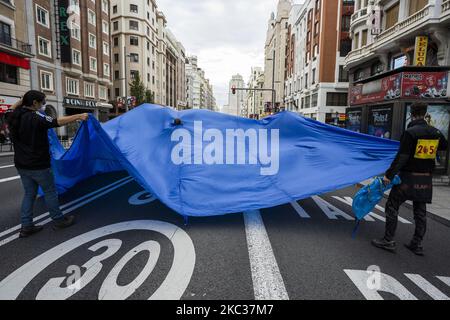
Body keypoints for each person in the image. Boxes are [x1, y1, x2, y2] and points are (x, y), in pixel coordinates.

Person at [5, 90, 89, 238]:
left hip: (21, 165)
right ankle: (59, 220)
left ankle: (26, 226)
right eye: (43, 102)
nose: (43, 105)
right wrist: (79, 116)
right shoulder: (36, 117)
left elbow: (11, 109)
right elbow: (56, 122)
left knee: (29, 194)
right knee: (50, 191)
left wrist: (22, 101)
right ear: (34, 103)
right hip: (39, 164)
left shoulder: (13, 116)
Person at [372, 102, 448, 256]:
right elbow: (444, 147)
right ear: (425, 113)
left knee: (392, 206)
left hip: (408, 178)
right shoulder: (436, 133)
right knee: (420, 212)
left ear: (411, 114)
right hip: (425, 180)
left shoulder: (410, 133)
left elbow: (402, 157)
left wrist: (389, 175)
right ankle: (417, 244)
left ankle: (388, 240)